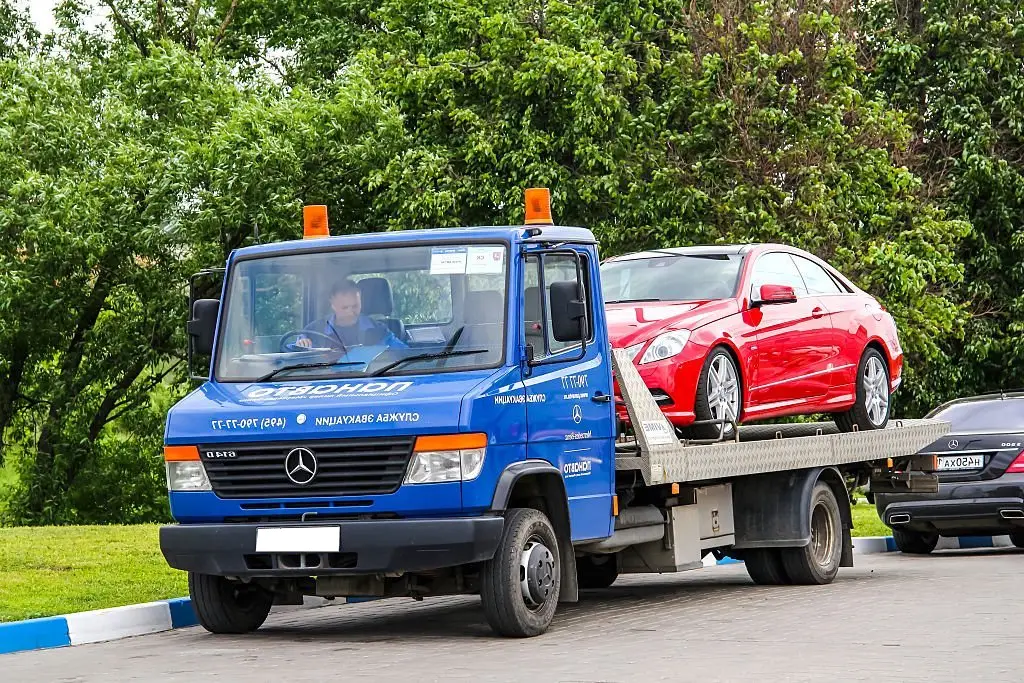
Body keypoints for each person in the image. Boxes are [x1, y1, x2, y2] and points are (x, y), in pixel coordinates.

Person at [296, 279, 407, 350]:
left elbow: (404, 354)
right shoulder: (314, 330)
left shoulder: (378, 330)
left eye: (355, 306)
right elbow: (291, 353)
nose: (350, 312)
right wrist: (301, 344)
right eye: (345, 308)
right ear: (333, 305)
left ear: (361, 301)